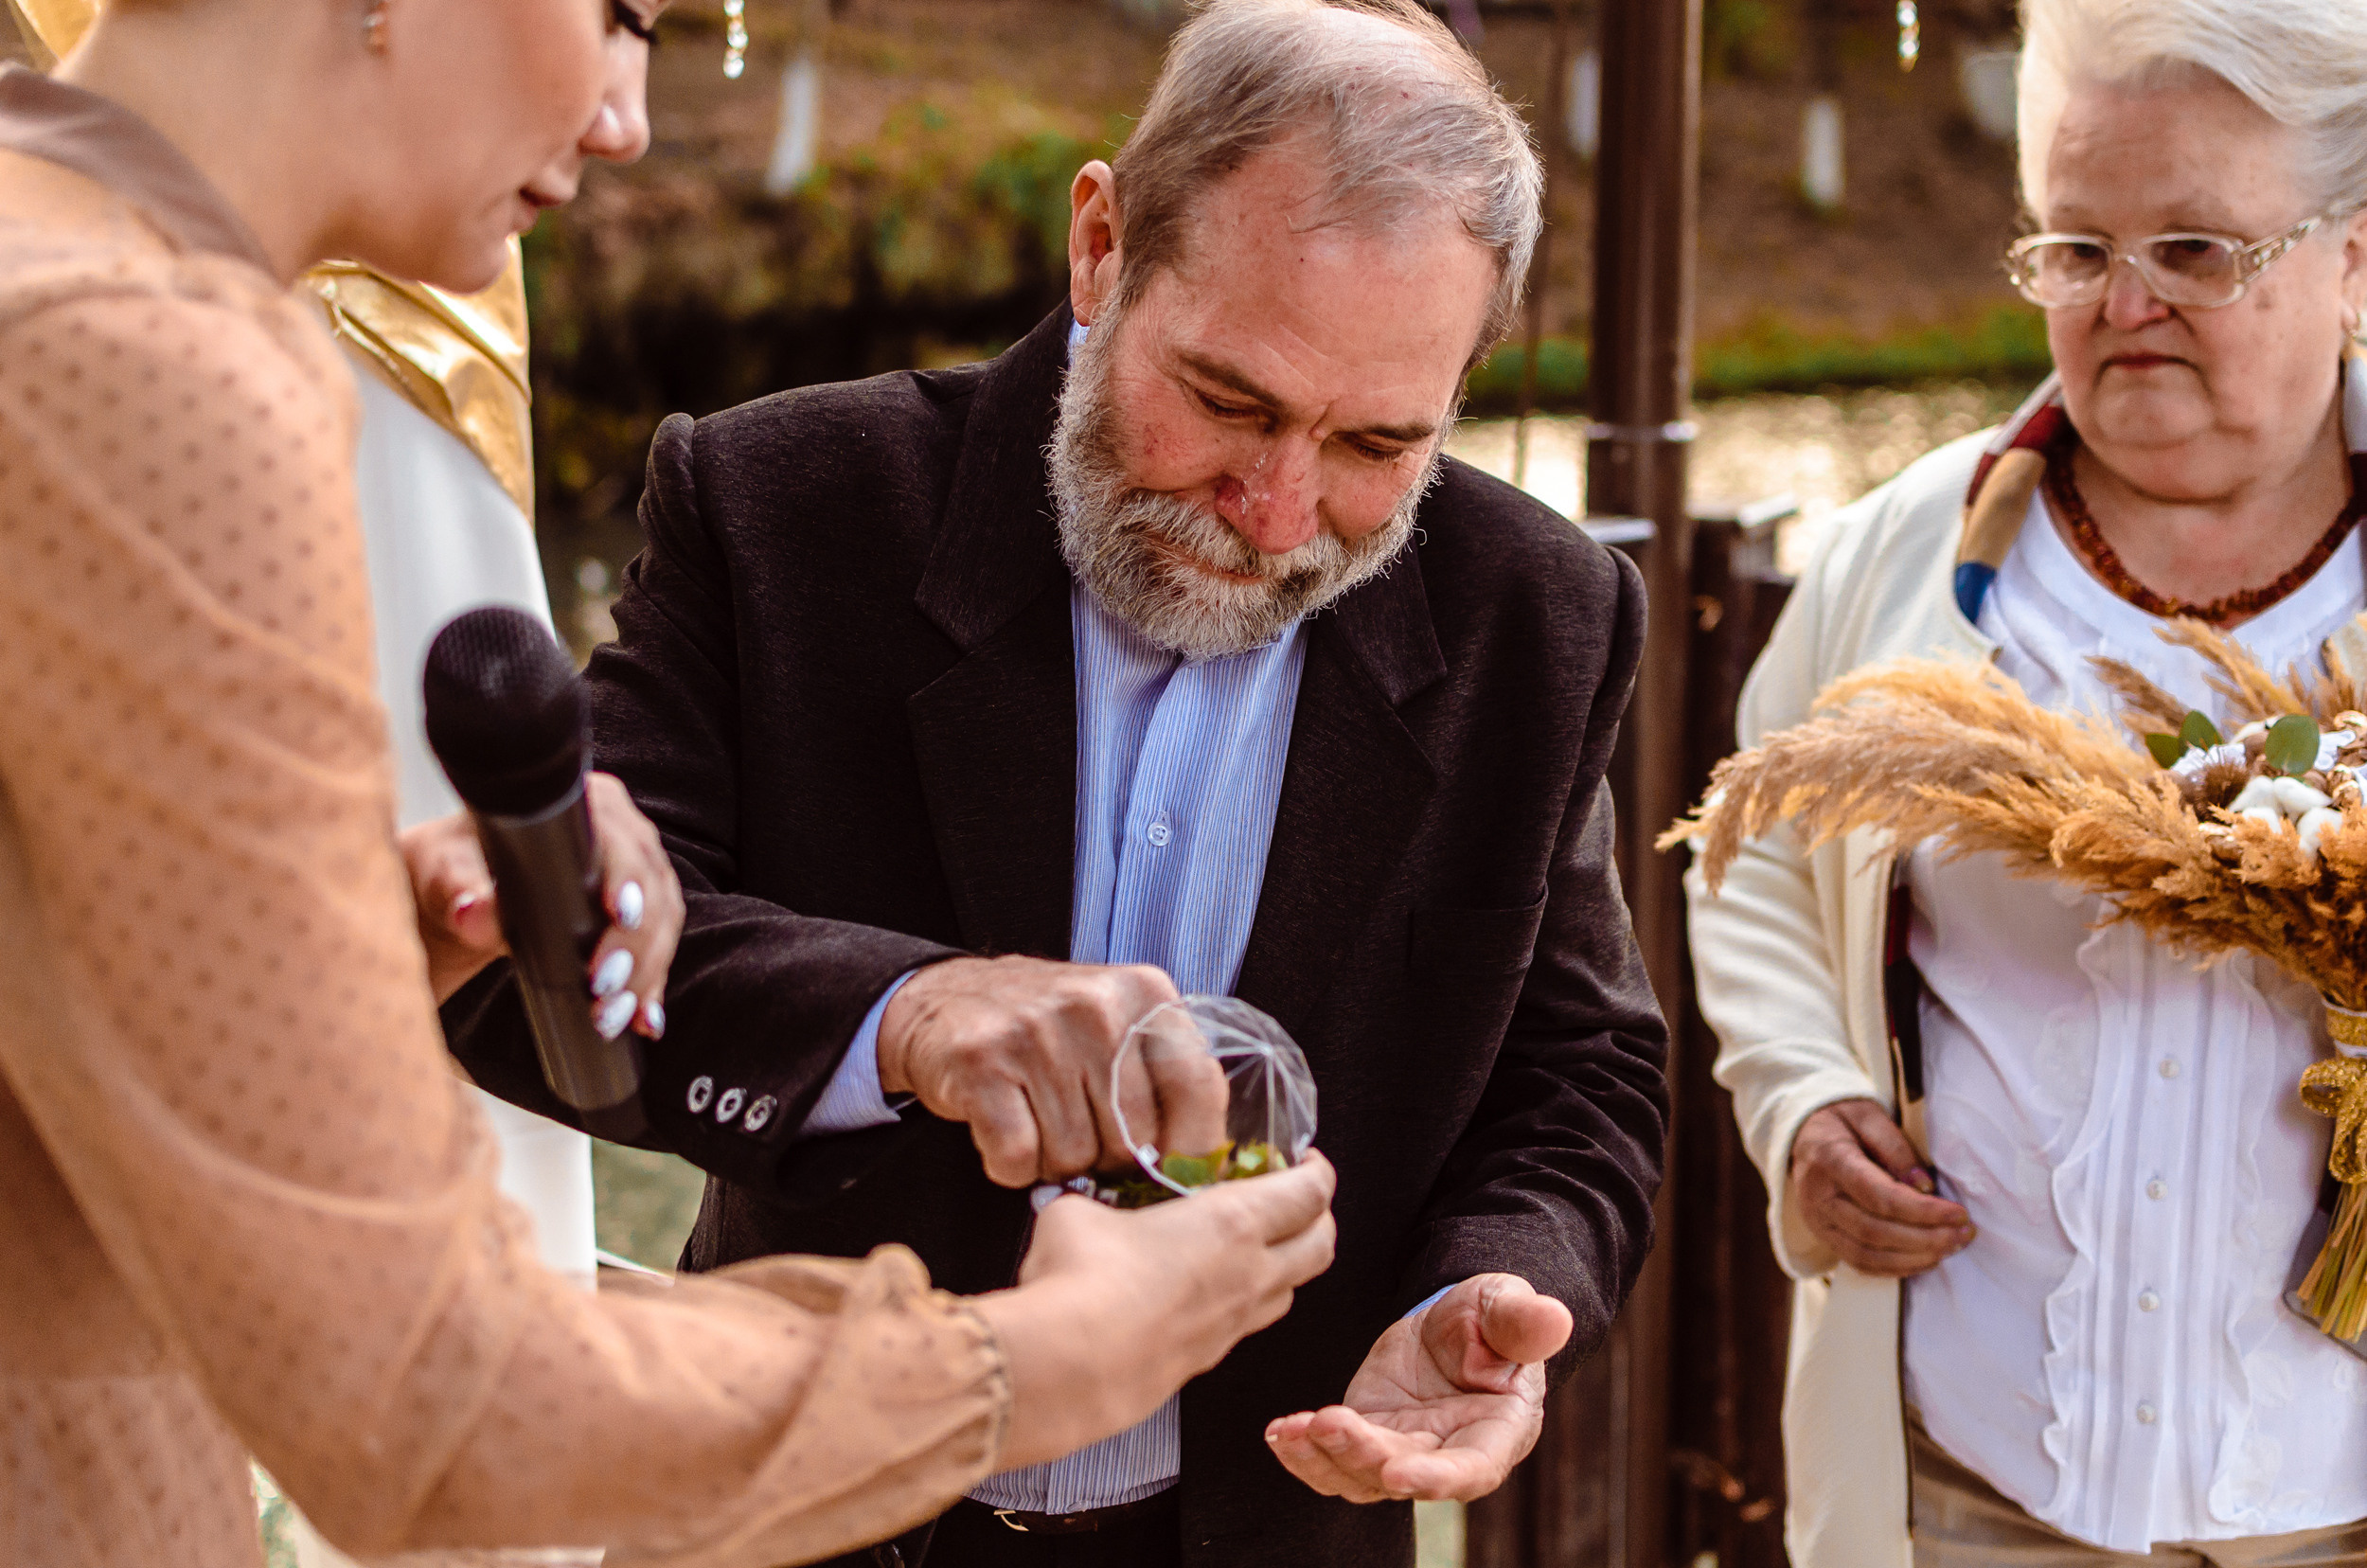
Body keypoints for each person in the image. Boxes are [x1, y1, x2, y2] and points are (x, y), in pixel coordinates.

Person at [0, 0, 1342, 1562]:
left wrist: (340, 943)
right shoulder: (142, 369)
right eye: (625, 14)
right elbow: (430, 1413)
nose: (626, 115)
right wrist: (1039, 1364)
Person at [444, 3, 1671, 1565]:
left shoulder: (1543, 616)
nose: (1280, 512)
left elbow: (1582, 1075)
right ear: (1101, 248)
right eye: (1229, 402)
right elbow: (522, 977)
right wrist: (906, 1020)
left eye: (1377, 441)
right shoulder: (778, 503)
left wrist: (1488, 1288)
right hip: (803, 1518)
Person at [1685, 1, 2367, 1563]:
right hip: (1963, 1500)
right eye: (2076, 248)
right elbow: (1758, 857)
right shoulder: (1900, 555)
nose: (2124, 305)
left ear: (2356, 259)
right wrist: (1805, 1102)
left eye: (2196, 250)